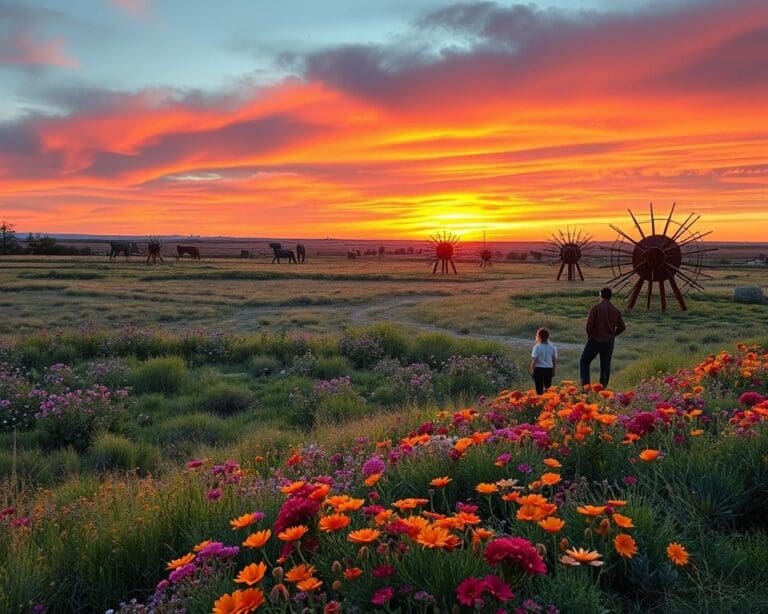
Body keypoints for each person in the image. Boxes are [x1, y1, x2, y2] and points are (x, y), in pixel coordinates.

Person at [580, 287, 626, 388]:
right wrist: (612, 335)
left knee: (584, 361)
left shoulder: (596, 308)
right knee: (605, 365)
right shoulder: (615, 310)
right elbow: (622, 327)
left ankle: (586, 387)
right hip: (609, 342)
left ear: (600, 296)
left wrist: (591, 337)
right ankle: (602, 389)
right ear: (610, 297)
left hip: (595, 340)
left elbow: (588, 327)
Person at [530, 327, 557, 395]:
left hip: (539, 369)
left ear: (539, 336)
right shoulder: (553, 347)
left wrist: (532, 369)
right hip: (549, 369)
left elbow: (534, 360)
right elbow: (554, 360)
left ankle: (540, 403)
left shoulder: (537, 347)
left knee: (539, 389)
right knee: (548, 388)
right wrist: (553, 370)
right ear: (548, 336)